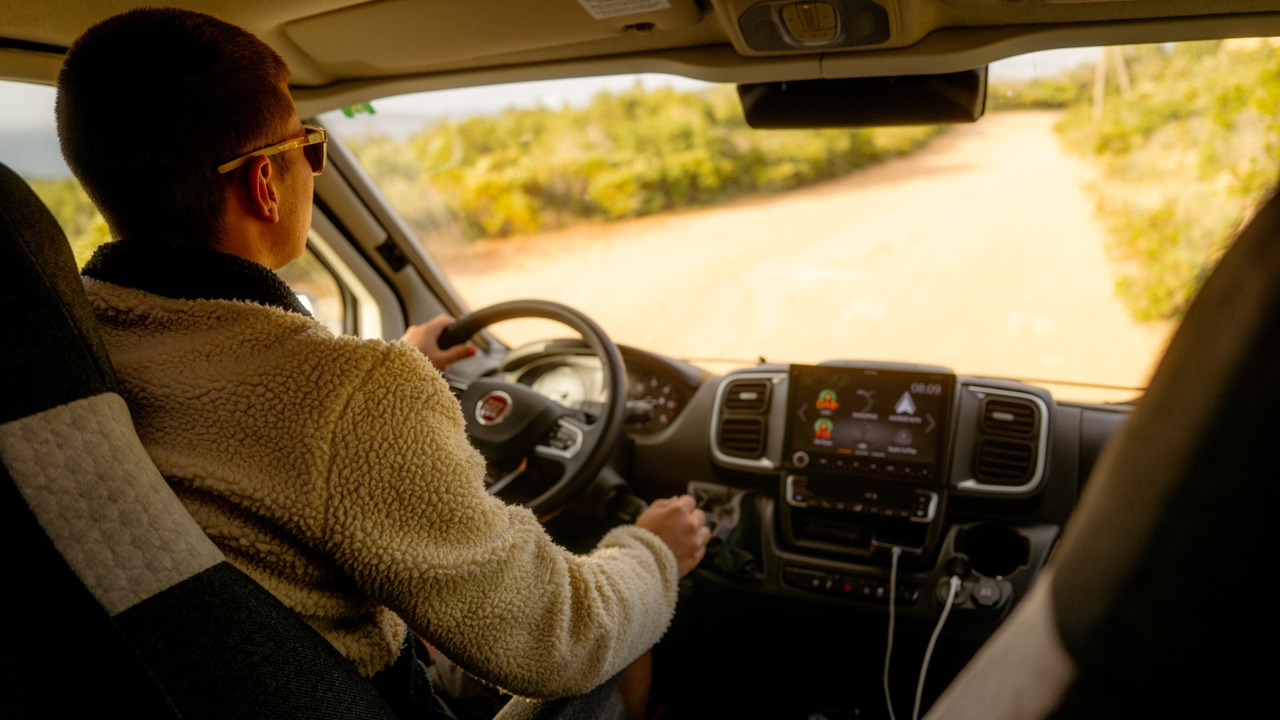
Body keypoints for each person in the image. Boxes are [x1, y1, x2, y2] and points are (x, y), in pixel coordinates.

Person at [57, 7, 710, 718]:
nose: (313, 160)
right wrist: (651, 552)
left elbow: (260, 423)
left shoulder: (64, 347)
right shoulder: (352, 396)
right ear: (264, 186)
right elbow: (559, 639)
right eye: (308, 144)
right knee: (625, 632)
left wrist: (394, 369)